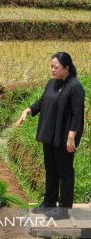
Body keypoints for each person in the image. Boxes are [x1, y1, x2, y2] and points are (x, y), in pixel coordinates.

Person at [14, 52, 85, 220]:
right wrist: (28, 110)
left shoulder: (75, 87)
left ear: (66, 68)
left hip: (65, 137)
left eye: (56, 67)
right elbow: (42, 101)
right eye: (51, 66)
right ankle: (49, 203)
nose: (52, 70)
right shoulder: (51, 83)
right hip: (49, 135)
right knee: (51, 169)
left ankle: (64, 209)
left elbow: (77, 114)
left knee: (65, 172)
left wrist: (71, 136)